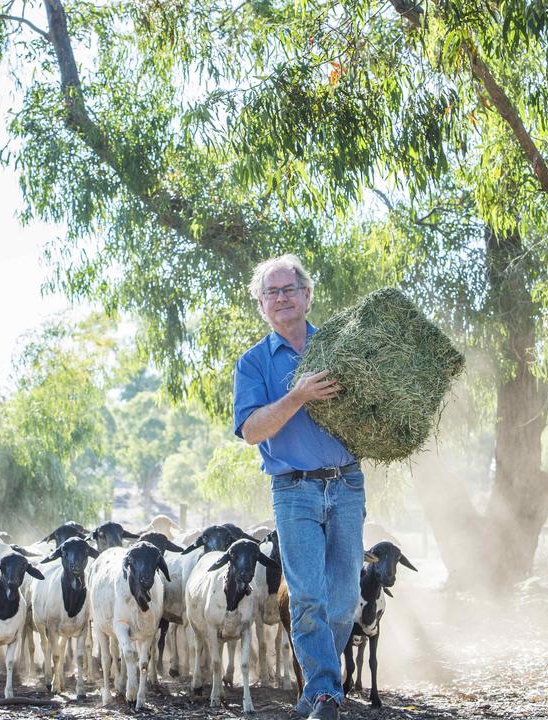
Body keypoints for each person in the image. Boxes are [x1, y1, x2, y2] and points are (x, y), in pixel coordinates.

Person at [232, 254, 363, 720]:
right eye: (272, 292)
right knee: (308, 594)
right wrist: (298, 395)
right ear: (262, 305)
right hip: (293, 490)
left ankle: (315, 690)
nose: (282, 298)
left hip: (347, 484)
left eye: (290, 289)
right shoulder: (253, 364)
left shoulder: (342, 348)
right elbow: (251, 431)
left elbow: (376, 407)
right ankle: (326, 692)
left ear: (308, 296)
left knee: (345, 597)